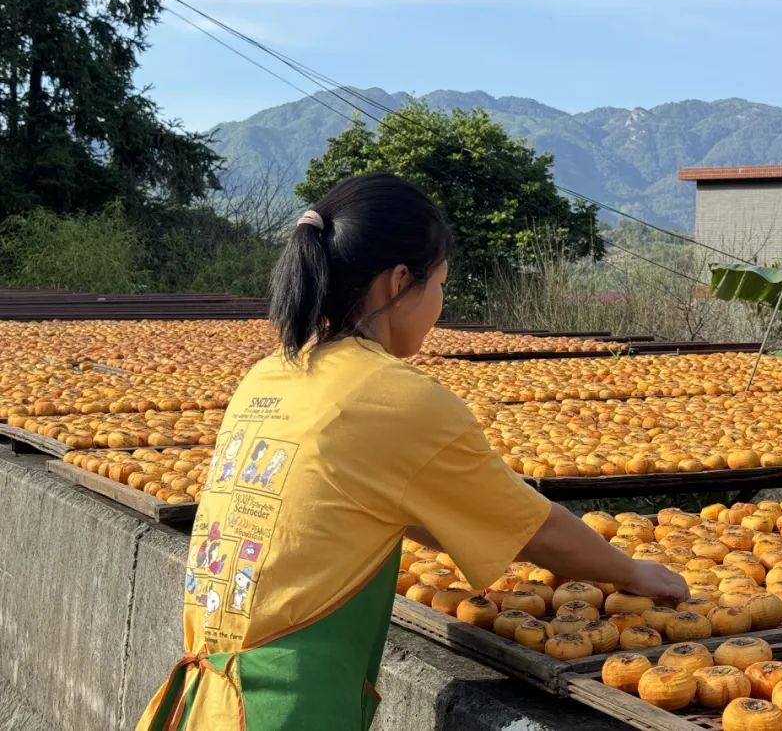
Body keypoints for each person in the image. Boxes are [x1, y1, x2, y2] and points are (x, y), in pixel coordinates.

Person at [136, 173, 688, 730]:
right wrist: (632, 572)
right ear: (399, 281)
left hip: (205, 700)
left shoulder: (270, 374)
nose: (440, 304)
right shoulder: (390, 395)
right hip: (285, 709)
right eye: (441, 284)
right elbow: (534, 529)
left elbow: (381, 503)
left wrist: (478, 529)